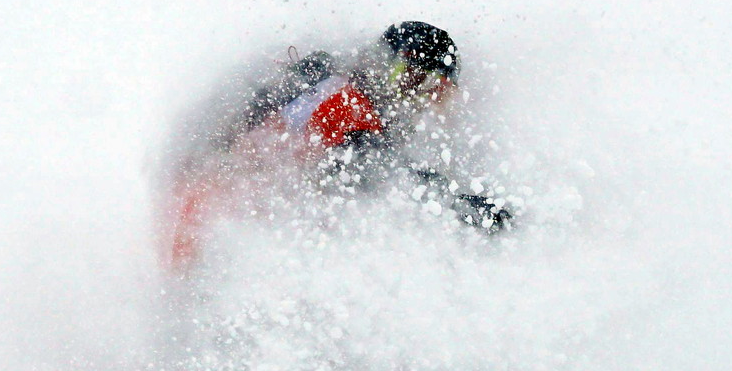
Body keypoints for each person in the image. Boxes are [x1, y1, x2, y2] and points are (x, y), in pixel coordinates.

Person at [163, 21, 512, 268]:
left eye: (434, 91)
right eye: (413, 78)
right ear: (386, 64)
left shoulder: (339, 91)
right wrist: (459, 206)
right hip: (213, 225)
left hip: (222, 223)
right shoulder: (346, 101)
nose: (418, 97)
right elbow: (378, 172)